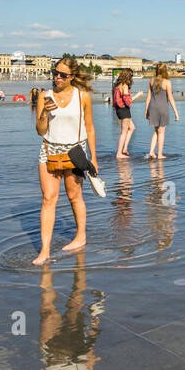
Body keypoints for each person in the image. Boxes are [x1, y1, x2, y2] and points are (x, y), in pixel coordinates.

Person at [33, 57, 98, 266]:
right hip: (49, 151)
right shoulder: (44, 96)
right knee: (48, 199)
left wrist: (94, 158)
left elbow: (89, 128)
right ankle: (44, 251)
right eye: (55, 73)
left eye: (62, 75)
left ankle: (81, 236)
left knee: (74, 196)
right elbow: (40, 131)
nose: (57, 77)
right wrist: (44, 112)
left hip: (75, 153)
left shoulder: (83, 96)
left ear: (72, 76)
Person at [145, 62, 179, 159]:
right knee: (162, 132)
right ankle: (159, 154)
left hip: (152, 107)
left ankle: (151, 151)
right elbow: (171, 98)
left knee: (156, 131)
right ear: (165, 71)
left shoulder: (151, 80)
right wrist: (176, 113)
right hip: (162, 108)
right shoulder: (167, 82)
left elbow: (148, 97)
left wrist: (146, 110)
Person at [112, 69, 136, 158]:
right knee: (124, 132)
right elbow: (128, 101)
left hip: (119, 109)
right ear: (128, 76)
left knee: (132, 128)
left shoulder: (118, 85)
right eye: (131, 76)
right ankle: (119, 153)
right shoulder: (125, 86)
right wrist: (137, 96)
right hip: (124, 110)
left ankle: (125, 148)